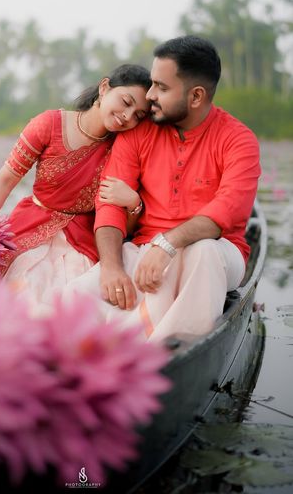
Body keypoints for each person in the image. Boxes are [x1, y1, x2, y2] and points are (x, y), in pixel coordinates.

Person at [63, 35, 261, 343]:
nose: (150, 95)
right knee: (73, 298)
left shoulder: (238, 140)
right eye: (153, 83)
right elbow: (110, 203)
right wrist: (112, 267)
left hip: (218, 253)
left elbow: (229, 209)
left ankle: (165, 348)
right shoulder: (140, 132)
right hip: (146, 250)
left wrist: (167, 244)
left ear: (196, 96)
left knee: (202, 251)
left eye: (162, 87)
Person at [0, 64, 151, 309]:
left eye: (138, 115)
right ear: (104, 88)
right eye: (126, 102)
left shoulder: (123, 148)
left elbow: (123, 226)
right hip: (30, 225)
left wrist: (134, 203)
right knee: (19, 286)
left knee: (69, 298)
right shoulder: (48, 125)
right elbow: (6, 179)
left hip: (84, 239)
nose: (128, 116)